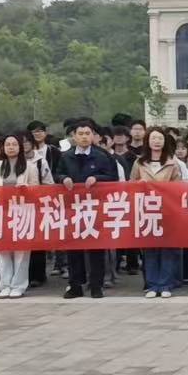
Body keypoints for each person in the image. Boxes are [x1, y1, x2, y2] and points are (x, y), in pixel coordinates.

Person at [0, 130, 51, 298]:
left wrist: (27, 189)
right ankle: (5, 284)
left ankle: (19, 285)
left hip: (22, 212)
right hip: (1, 212)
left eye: (14, 144)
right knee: (1, 250)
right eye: (7, 144)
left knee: (21, 251)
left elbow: (37, 190)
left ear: (20, 147)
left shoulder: (30, 167)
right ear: (2, 147)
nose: (11, 147)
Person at [56, 119, 120, 299]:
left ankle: (96, 285)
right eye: (80, 134)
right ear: (74, 136)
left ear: (93, 136)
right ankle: (75, 285)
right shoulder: (66, 156)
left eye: (87, 133)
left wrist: (97, 179)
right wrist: (63, 179)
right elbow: (57, 173)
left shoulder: (102, 156)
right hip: (73, 208)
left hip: (95, 208)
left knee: (96, 249)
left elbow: (113, 178)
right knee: (73, 248)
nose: (84, 137)